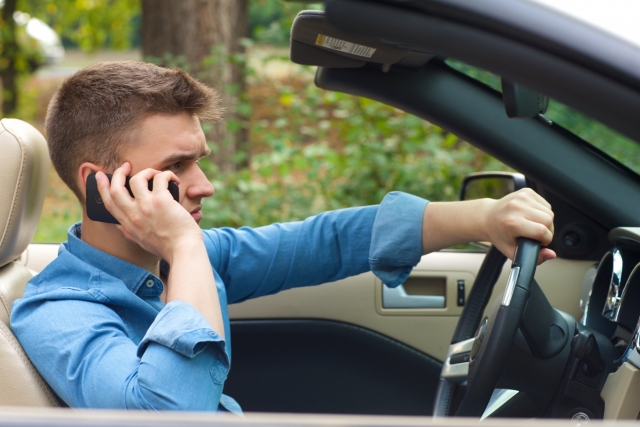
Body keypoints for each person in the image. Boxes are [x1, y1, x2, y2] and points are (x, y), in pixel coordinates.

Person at [10, 61, 555, 413]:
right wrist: (185, 245)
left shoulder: (180, 263)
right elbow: (170, 415)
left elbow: (324, 242)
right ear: (100, 185)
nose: (206, 185)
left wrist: (482, 217)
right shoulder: (58, 311)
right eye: (178, 165)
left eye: (201, 159)